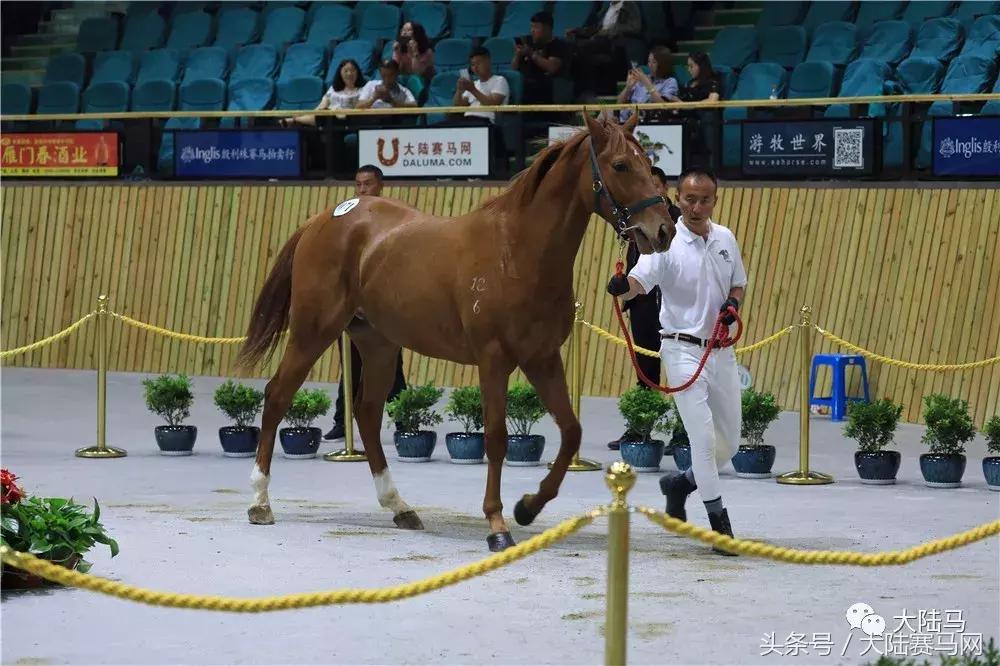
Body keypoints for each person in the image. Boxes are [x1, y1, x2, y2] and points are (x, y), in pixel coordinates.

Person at [606, 168, 746, 555]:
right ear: (677, 199)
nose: (697, 207)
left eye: (705, 200)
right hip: (681, 349)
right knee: (703, 440)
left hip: (721, 350)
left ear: (714, 201)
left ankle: (680, 483)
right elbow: (639, 283)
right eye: (690, 199)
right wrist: (623, 286)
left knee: (729, 444)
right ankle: (719, 526)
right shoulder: (664, 244)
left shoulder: (725, 238)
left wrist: (733, 304)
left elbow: (738, 282)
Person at [325, 164, 408, 440]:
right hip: (351, 308)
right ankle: (342, 423)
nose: (362, 189)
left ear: (380, 186)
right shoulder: (345, 220)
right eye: (358, 184)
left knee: (392, 367)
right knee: (350, 369)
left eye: (368, 184)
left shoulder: (394, 219)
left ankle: (403, 420)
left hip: (384, 310)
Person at [607, 166, 681, 451]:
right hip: (643, 304)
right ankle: (641, 429)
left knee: (681, 371)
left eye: (656, 186)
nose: (652, 191)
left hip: (673, 305)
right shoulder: (637, 221)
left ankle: (682, 433)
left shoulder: (678, 221)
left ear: (665, 189)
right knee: (645, 369)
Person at [567, 0, 642, 98]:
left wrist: (610, 31)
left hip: (612, 41)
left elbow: (635, 27)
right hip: (598, 40)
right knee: (572, 46)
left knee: (582, 48)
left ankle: (584, 90)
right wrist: (577, 31)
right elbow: (597, 28)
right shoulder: (607, 6)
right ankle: (581, 90)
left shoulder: (629, 5)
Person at [281, 59, 365, 127]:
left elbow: (361, 108)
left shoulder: (363, 89)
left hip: (347, 119)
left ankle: (295, 120)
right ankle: (299, 120)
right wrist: (308, 114)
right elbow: (321, 106)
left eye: (353, 70)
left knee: (324, 118)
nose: (349, 74)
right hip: (329, 117)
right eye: (346, 71)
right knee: (323, 115)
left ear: (357, 72)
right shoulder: (333, 88)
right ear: (340, 73)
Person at [510, 11, 568, 107]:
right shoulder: (527, 42)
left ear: (547, 29)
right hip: (525, 89)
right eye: (531, 27)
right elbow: (513, 70)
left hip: (545, 91)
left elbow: (551, 67)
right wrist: (517, 54)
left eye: (536, 27)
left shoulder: (558, 45)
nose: (532, 30)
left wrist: (531, 54)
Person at [617, 47, 679, 124]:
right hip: (627, 120)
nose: (650, 65)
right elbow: (619, 103)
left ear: (663, 64)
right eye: (649, 61)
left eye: (654, 62)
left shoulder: (670, 82)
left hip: (650, 122)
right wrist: (628, 87)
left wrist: (646, 83)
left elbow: (663, 105)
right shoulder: (641, 79)